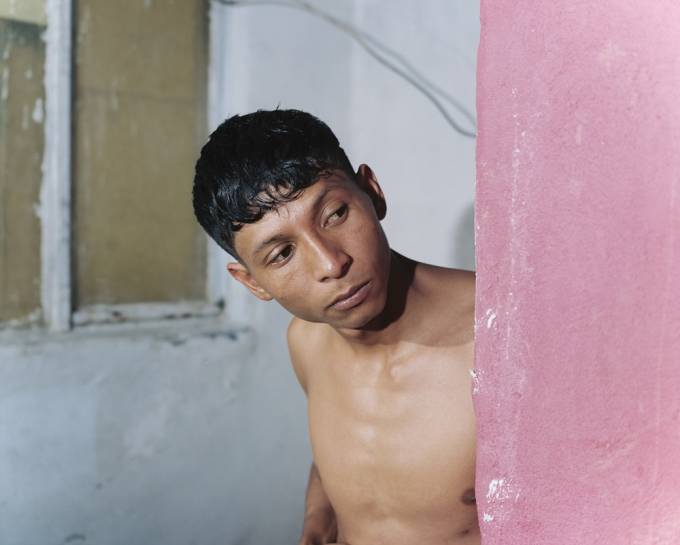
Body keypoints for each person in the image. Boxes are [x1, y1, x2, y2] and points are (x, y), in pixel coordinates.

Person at [192, 109, 478, 545]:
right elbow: (340, 457)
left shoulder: (499, 334)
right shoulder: (306, 341)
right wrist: (318, 516)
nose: (330, 263)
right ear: (252, 282)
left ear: (372, 192)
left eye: (335, 214)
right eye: (282, 254)